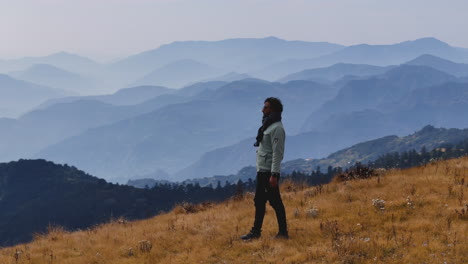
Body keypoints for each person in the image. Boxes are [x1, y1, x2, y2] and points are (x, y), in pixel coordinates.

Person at [241, 97, 288, 240]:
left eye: (266, 107)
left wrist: (274, 174)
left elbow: (277, 153)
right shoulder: (268, 125)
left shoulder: (277, 128)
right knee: (260, 201)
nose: (263, 110)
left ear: (273, 109)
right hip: (263, 171)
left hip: (268, 172)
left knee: (275, 202)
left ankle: (282, 233)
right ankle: (256, 232)